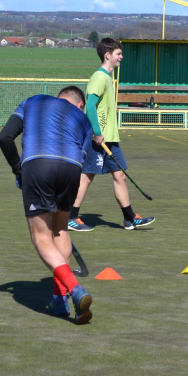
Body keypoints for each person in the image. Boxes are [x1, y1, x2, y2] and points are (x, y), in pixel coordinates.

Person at [0, 86, 94, 325]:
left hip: (38, 164)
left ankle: (74, 288)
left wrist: (19, 171)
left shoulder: (32, 101)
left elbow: (5, 137)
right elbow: (82, 157)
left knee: (41, 237)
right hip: (72, 168)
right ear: (78, 103)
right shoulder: (83, 119)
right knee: (60, 230)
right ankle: (59, 299)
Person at [67, 38, 155, 232]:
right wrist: (97, 134)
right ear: (108, 55)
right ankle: (70, 218)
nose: (121, 57)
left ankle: (129, 218)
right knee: (86, 177)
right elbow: (90, 105)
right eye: (118, 54)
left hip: (110, 139)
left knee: (120, 176)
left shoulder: (107, 77)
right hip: (99, 139)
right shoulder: (99, 77)